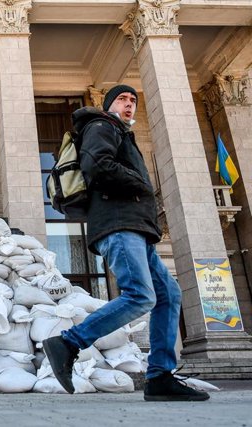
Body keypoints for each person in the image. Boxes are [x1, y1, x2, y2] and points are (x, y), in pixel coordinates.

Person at [42, 84, 210, 401]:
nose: (129, 104)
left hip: (135, 225)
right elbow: (97, 166)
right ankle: (69, 342)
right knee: (140, 295)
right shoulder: (102, 125)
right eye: (122, 99)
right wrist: (142, 184)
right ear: (108, 105)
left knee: (168, 294)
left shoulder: (121, 133)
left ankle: (160, 376)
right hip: (118, 223)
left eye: (133, 100)